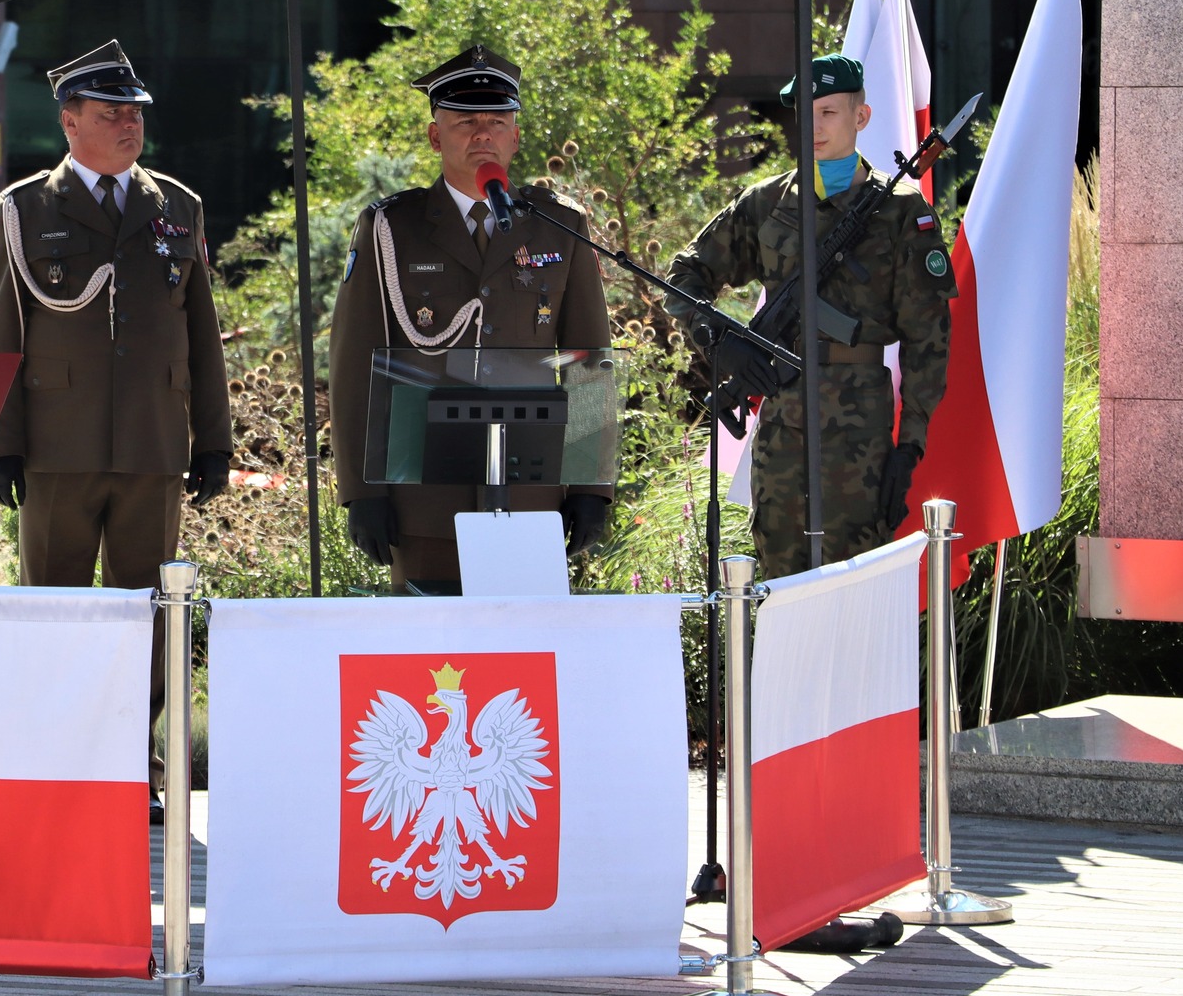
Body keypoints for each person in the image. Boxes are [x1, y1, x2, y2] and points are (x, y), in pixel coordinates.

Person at [0, 40, 231, 821]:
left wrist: (214, 440)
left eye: (135, 112)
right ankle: (57, 760)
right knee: (54, 607)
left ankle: (134, 763)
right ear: (69, 121)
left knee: (146, 612)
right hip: (56, 446)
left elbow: (202, 334)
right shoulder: (24, 208)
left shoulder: (176, 206)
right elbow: (0, 333)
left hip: (152, 443)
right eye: (111, 111)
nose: (129, 123)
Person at [327, 44, 615, 591]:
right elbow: (354, 364)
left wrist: (590, 485)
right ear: (436, 137)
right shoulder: (392, 227)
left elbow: (588, 359)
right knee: (429, 640)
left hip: (530, 494)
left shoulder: (559, 227)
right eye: (465, 122)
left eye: (497, 122)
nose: (483, 134)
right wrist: (362, 490)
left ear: (515, 137)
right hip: (424, 497)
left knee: (525, 639)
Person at [664, 52, 956, 581]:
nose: (815, 127)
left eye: (829, 113)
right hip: (782, 426)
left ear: (861, 117)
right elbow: (684, 275)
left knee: (854, 588)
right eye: (806, 113)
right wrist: (721, 342)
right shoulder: (767, 203)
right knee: (781, 582)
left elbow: (928, 338)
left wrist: (909, 446)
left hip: (859, 432)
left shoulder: (900, 210)